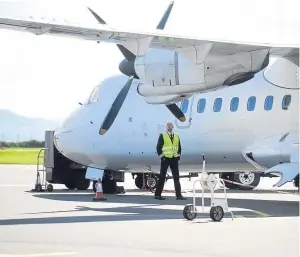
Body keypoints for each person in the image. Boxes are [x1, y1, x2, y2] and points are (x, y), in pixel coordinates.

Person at [154, 121, 187, 200]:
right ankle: (157, 195)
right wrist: (162, 157)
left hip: (174, 159)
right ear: (166, 127)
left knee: (176, 177)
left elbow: (179, 147)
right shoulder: (163, 135)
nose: (169, 126)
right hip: (166, 159)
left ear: (173, 127)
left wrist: (178, 156)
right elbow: (158, 148)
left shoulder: (176, 136)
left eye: (170, 125)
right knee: (162, 177)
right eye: (168, 125)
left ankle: (178, 195)